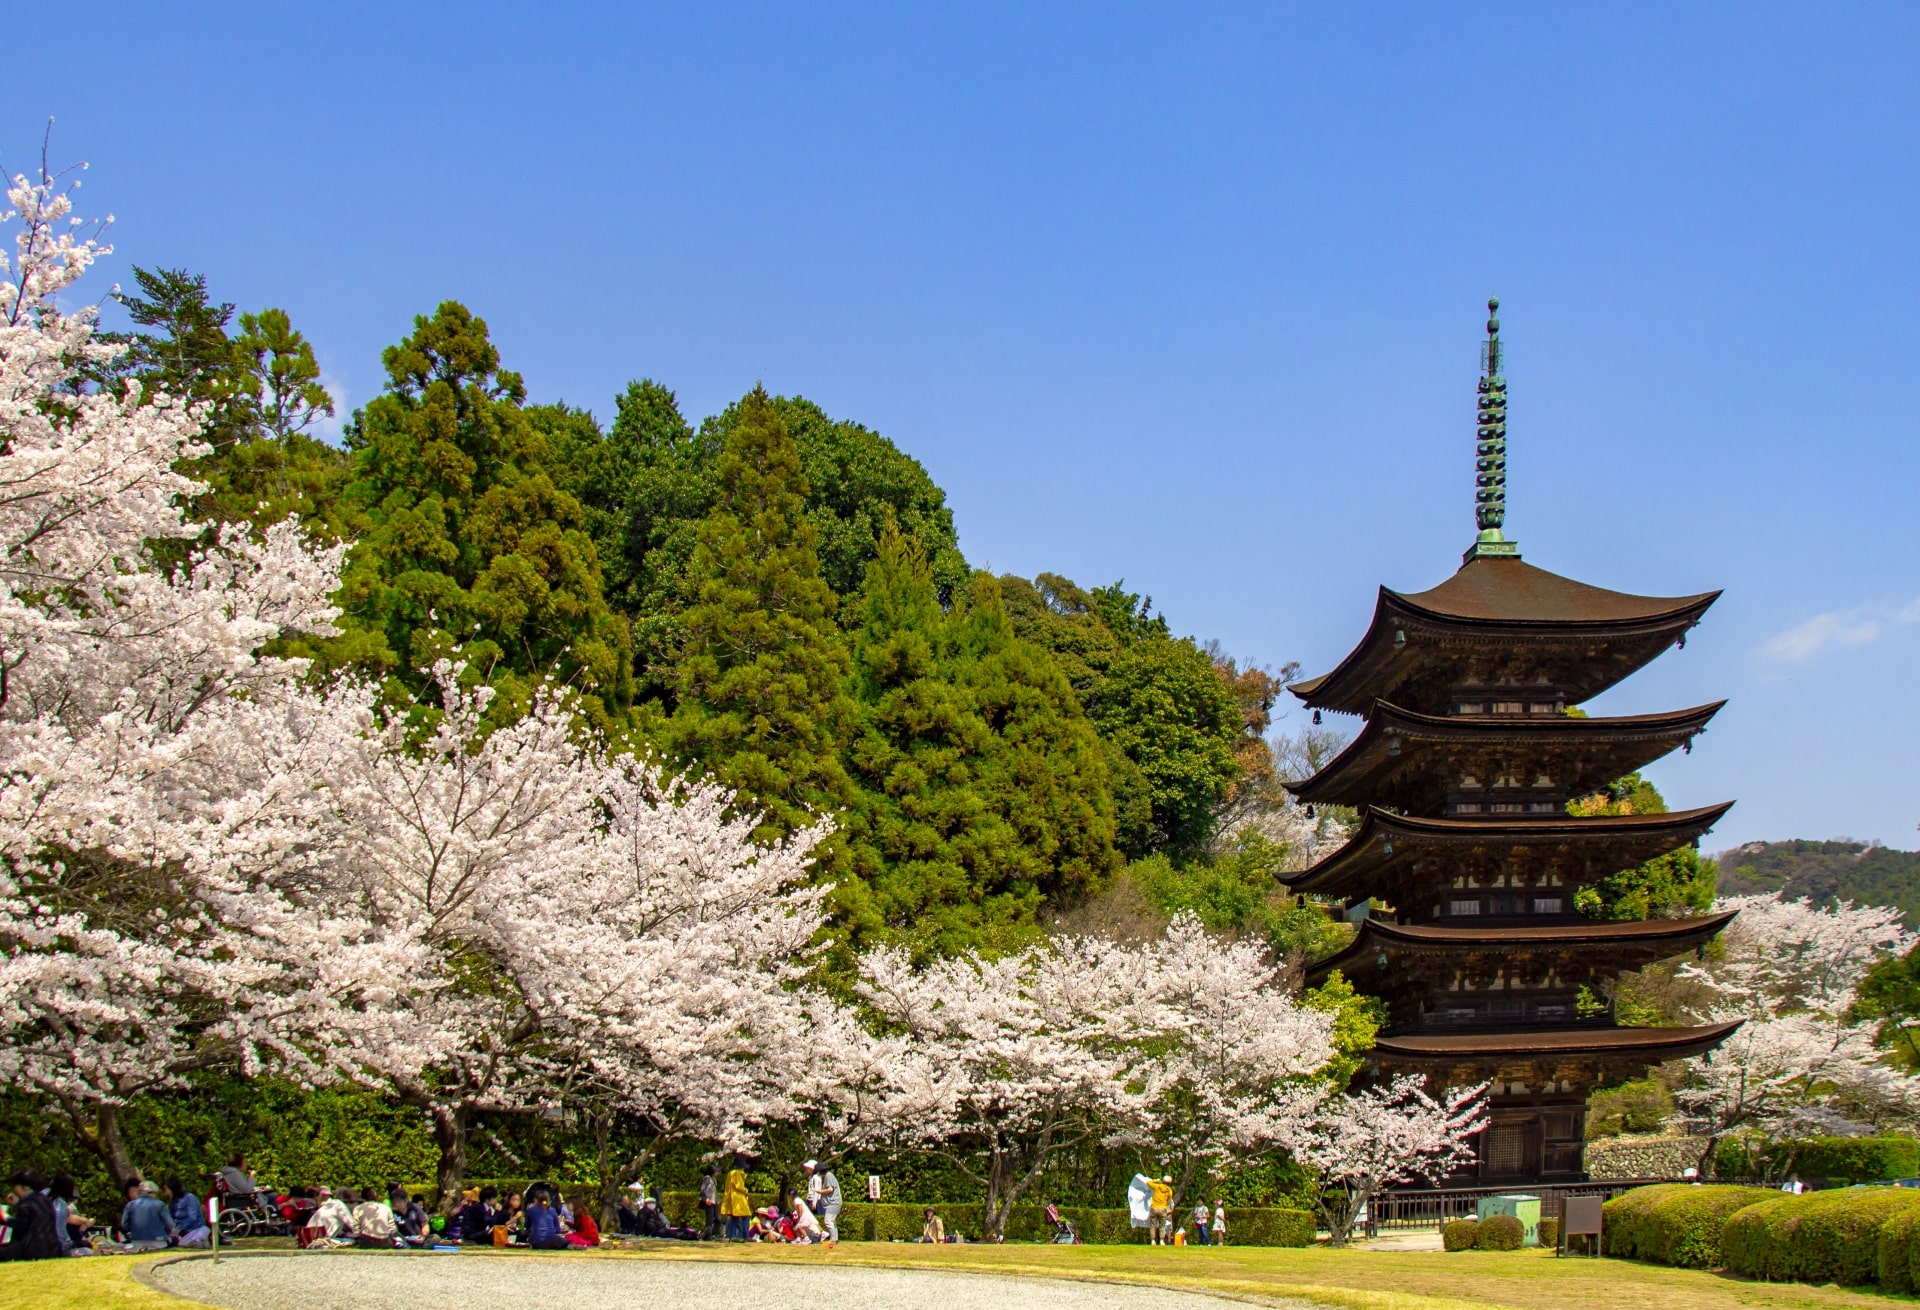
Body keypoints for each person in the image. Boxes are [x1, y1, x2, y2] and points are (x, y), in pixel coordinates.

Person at [0, 1170, 61, 1261]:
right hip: (52, 1249)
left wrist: (4, 1216)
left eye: (16, 1186)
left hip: (32, 1251)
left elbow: (20, 1226)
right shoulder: (45, 1200)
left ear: (26, 1187)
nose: (14, 1190)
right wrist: (18, 1203)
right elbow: (33, 1216)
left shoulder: (25, 1204)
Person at [119, 1180, 177, 1253]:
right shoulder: (159, 1204)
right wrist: (168, 1234)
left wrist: (134, 1231)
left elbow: (124, 1224)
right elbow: (170, 1224)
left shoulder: (130, 1205)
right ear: (152, 1193)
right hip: (158, 1241)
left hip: (137, 1241)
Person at [802, 1159, 841, 1247]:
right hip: (834, 1202)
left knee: (828, 1221)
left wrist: (820, 1192)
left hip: (833, 1202)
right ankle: (835, 1239)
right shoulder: (828, 1176)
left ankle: (832, 1239)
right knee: (831, 1221)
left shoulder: (828, 1176)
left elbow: (830, 1189)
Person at [166, 1177, 211, 1248]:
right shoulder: (173, 1203)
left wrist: (179, 1228)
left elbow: (192, 1217)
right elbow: (172, 1219)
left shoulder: (190, 1198)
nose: (165, 1193)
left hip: (194, 1228)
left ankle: (198, 1241)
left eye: (166, 1190)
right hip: (181, 1231)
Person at [721, 1159, 752, 1241]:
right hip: (739, 1198)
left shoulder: (730, 1173)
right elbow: (739, 1186)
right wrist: (745, 1190)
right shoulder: (737, 1173)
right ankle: (746, 1236)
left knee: (735, 1218)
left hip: (732, 1198)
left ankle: (732, 1236)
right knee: (746, 1216)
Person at [1147, 1175, 1174, 1246]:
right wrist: (1164, 1204)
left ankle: (1153, 1240)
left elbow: (1148, 1182)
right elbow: (1169, 1201)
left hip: (1154, 1208)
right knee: (1162, 1225)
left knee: (1153, 1225)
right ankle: (1162, 1240)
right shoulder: (1169, 1190)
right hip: (1163, 1208)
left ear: (1163, 1181)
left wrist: (1156, 1180)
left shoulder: (1157, 1186)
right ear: (1169, 1183)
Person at [698, 1164, 720, 1239]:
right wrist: (706, 1198)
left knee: (718, 1219)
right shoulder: (707, 1178)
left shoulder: (714, 1179)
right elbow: (702, 1189)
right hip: (709, 1201)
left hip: (714, 1201)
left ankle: (713, 1234)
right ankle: (707, 1235)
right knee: (709, 1220)